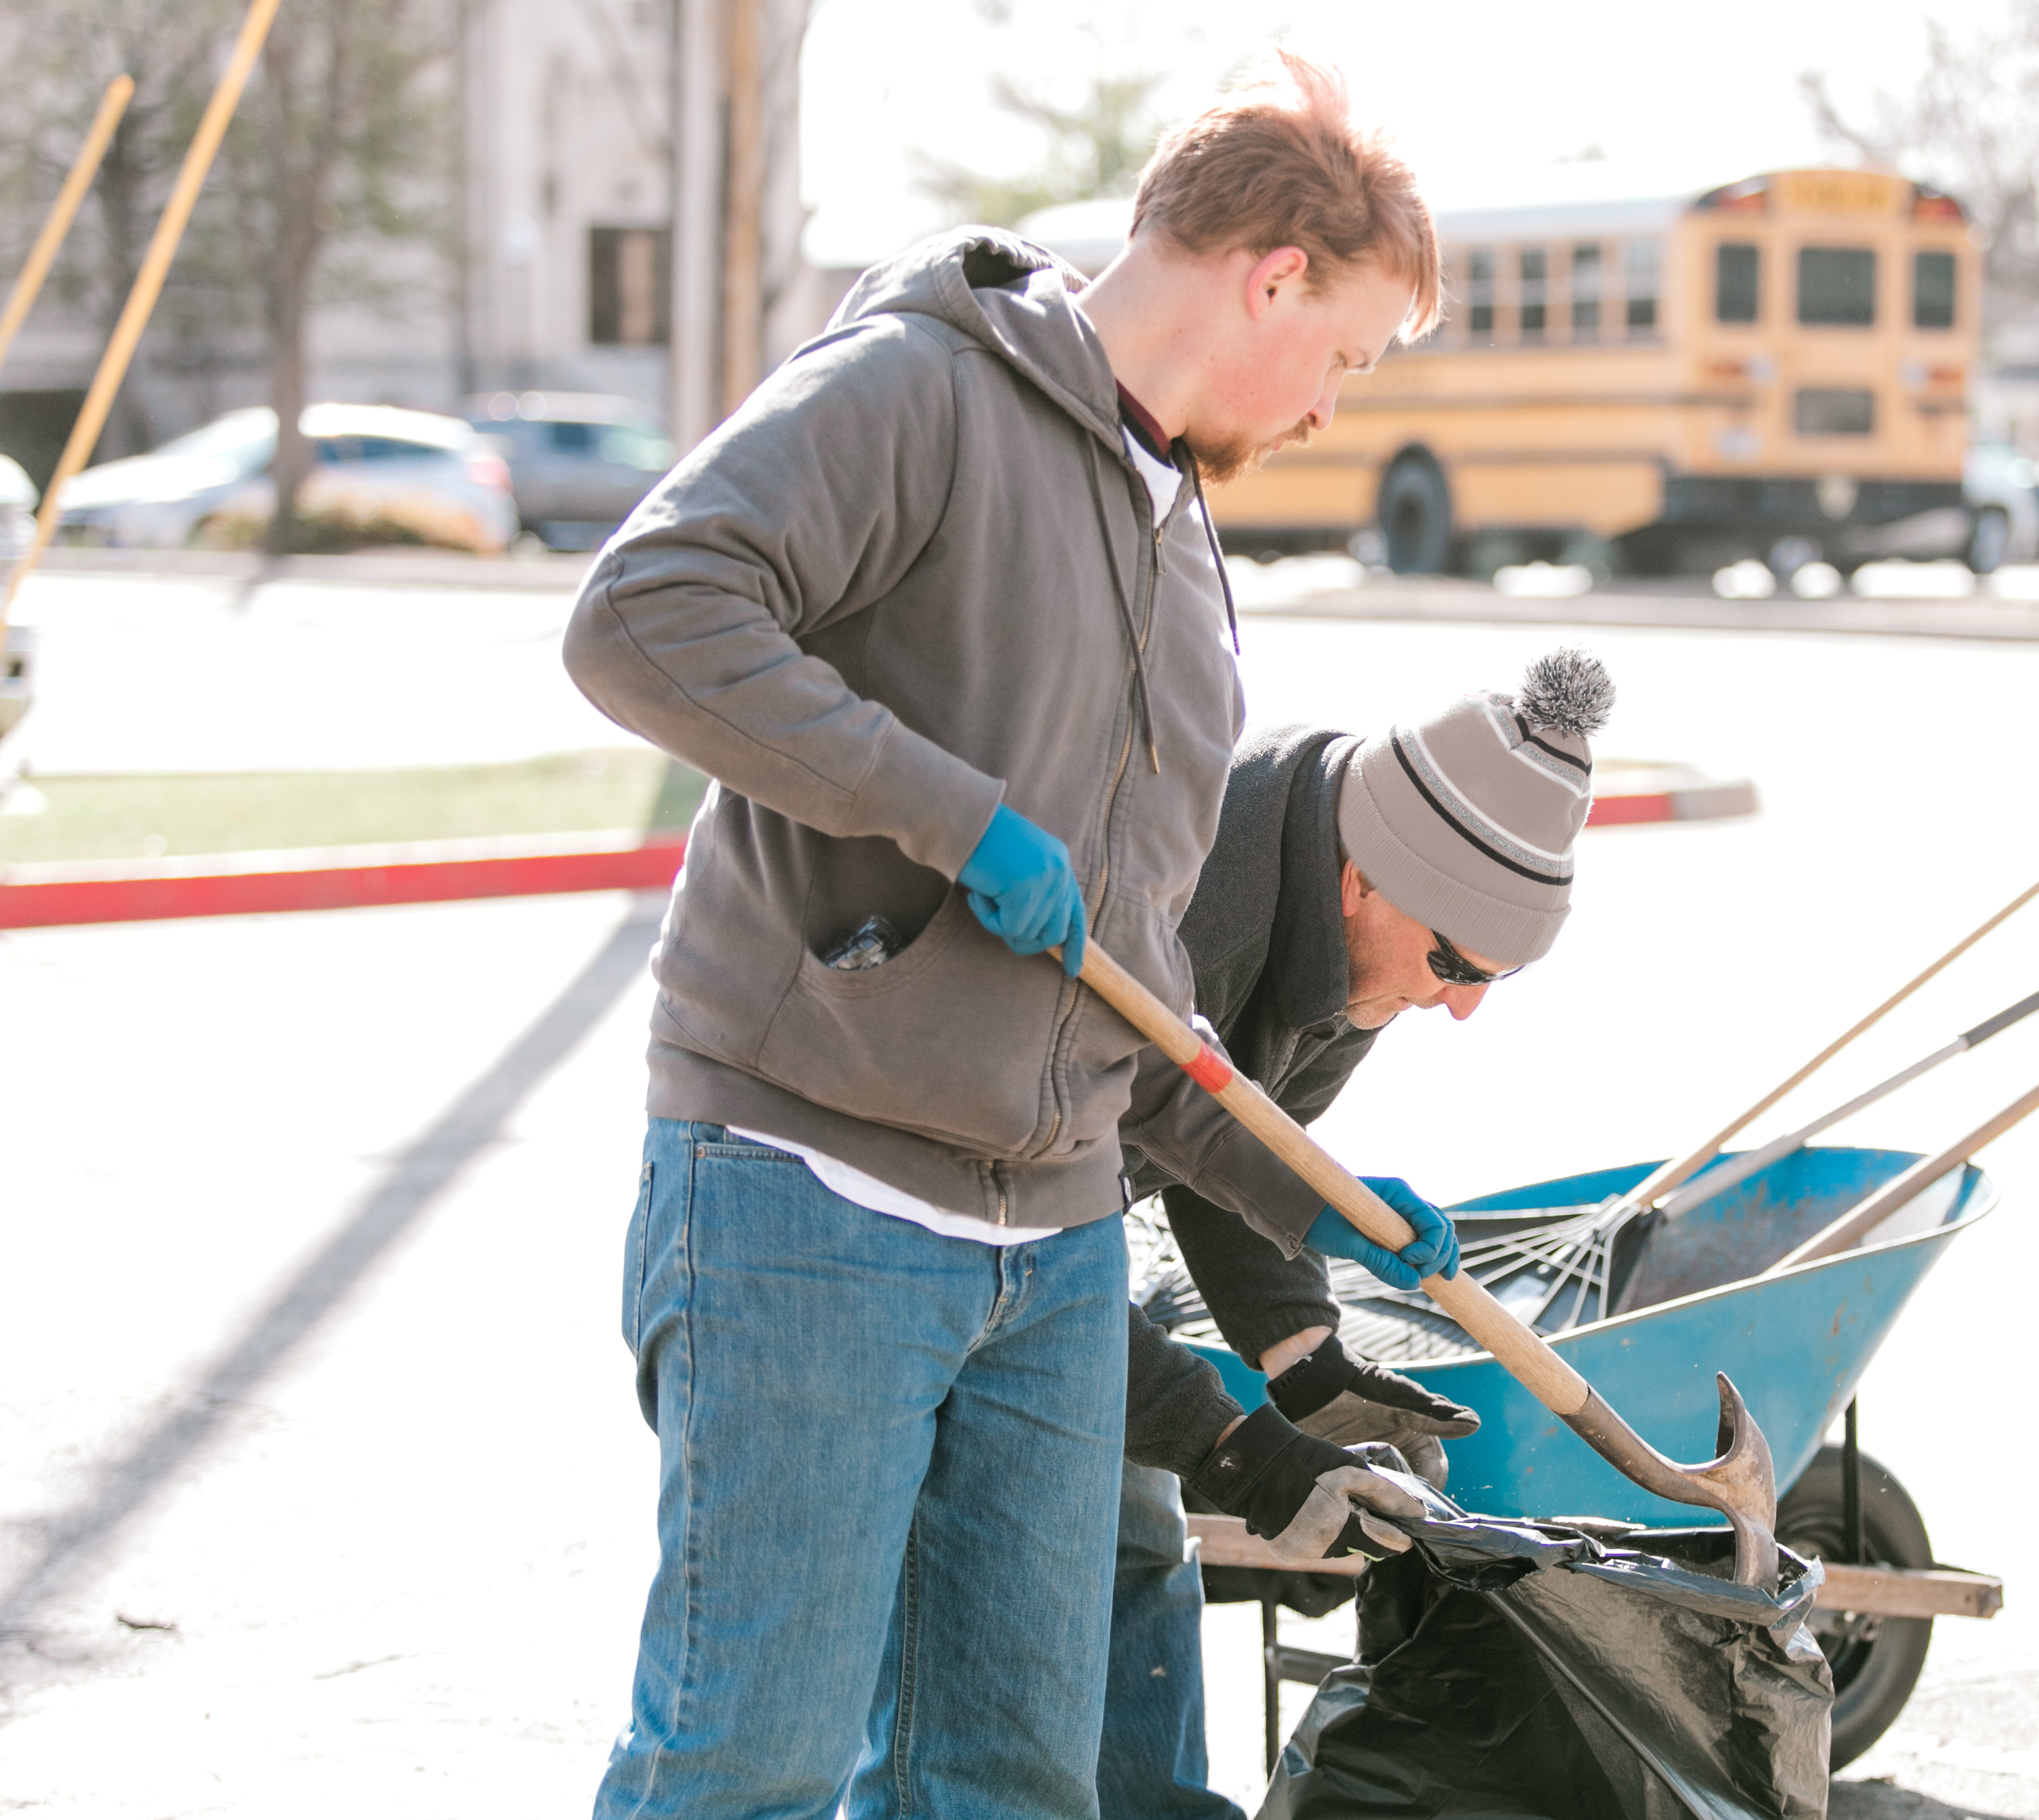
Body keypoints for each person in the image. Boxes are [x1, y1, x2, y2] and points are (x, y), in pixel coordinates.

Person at [564, 55, 1453, 1820]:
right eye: (1346, 354)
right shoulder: (922, 387)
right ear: (1273, 273)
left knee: (1013, 1782)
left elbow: (1125, 995)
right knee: (746, 1761)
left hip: (1045, 1250)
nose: (1334, 409)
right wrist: (948, 809)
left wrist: (1312, 1199)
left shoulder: (1180, 542)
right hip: (806, 1192)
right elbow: (643, 615)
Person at [1105, 649, 1617, 1820]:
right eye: (1454, 963)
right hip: (959, 1207)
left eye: (1493, 978)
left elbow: (1234, 1153)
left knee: (1134, 1546)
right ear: (1361, 881)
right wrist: (1234, 1449)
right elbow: (1041, 1243)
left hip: (1065, 1196)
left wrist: (1304, 1355)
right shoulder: (1198, 900)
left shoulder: (1362, 953)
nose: (1461, 1005)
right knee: (1058, 1559)